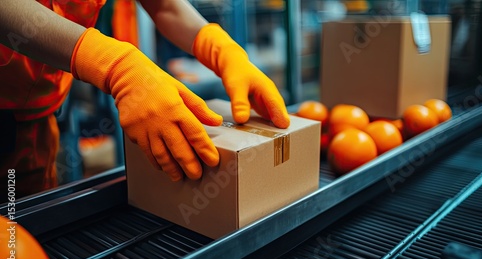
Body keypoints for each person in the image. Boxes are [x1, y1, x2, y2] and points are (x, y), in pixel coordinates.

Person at [0, 0, 290, 201]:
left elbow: (164, 6)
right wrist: (115, 66)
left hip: (35, 123)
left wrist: (220, 48)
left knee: (18, 242)